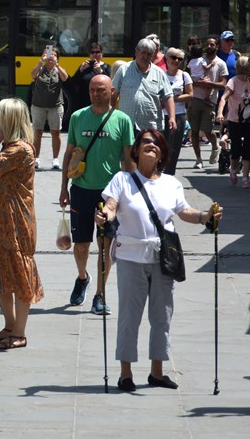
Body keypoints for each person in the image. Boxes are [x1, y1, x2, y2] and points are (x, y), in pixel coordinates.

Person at [97, 128, 222, 392]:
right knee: (129, 316)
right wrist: (104, 216)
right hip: (132, 256)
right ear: (136, 149)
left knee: (162, 315)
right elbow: (110, 206)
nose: (151, 145)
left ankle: (157, 372)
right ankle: (126, 373)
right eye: (145, 141)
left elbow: (183, 211)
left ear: (162, 152)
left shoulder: (171, 183)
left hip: (164, 258)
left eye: (156, 143)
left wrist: (205, 216)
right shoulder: (122, 179)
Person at [0, 98, 44, 351]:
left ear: (9, 121)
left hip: (16, 221)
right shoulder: (9, 146)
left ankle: (20, 332)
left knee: (19, 274)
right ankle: (10, 325)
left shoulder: (20, 149)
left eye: (0, 117)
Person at [59, 74, 134, 315]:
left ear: (112, 91)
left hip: (109, 195)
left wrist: (132, 193)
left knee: (105, 246)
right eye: (92, 90)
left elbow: (129, 161)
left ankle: (100, 295)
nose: (95, 94)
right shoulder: (78, 117)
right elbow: (69, 155)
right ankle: (82, 277)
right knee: (81, 246)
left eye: (101, 90)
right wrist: (63, 188)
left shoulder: (122, 120)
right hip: (80, 190)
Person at [112, 37, 175, 135]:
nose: (145, 56)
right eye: (143, 52)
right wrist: (109, 115)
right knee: (127, 151)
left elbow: (168, 96)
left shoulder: (159, 73)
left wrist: (172, 117)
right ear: (136, 52)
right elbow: (113, 93)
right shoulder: (123, 70)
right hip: (126, 125)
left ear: (153, 55)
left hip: (150, 127)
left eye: (149, 54)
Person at [188, 35, 227, 169]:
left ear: (217, 47)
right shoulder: (198, 59)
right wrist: (195, 83)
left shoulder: (221, 63)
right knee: (194, 131)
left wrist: (209, 84)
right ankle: (198, 159)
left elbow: (223, 84)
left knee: (207, 130)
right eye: (208, 44)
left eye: (212, 45)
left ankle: (215, 146)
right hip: (194, 99)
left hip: (209, 101)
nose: (209, 46)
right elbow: (187, 76)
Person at [30, 47, 69, 170]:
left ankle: (55, 159)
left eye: (53, 55)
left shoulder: (58, 70)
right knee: (38, 132)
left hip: (55, 106)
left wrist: (57, 65)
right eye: (48, 54)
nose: (50, 57)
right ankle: (36, 158)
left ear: (57, 58)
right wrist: (41, 61)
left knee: (55, 132)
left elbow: (65, 78)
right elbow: (33, 75)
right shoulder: (40, 68)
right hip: (38, 106)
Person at [216, 55, 250, 187]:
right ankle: (233, 171)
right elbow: (223, 98)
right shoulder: (233, 81)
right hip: (234, 121)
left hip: (248, 122)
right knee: (236, 149)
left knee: (248, 149)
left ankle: (245, 177)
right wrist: (220, 113)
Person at [162, 48, 193, 175]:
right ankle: (159, 172)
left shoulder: (184, 76)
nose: (176, 61)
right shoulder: (160, 74)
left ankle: (170, 174)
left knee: (174, 148)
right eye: (173, 57)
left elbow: (190, 95)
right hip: (161, 115)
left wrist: (171, 99)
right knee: (161, 146)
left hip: (179, 115)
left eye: (179, 59)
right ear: (167, 58)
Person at [71, 42, 112, 109]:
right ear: (89, 55)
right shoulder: (84, 66)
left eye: (97, 52)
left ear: (101, 54)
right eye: (92, 52)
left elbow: (110, 83)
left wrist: (101, 71)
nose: (95, 54)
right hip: (85, 102)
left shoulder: (106, 66)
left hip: (101, 101)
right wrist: (80, 70)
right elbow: (73, 82)